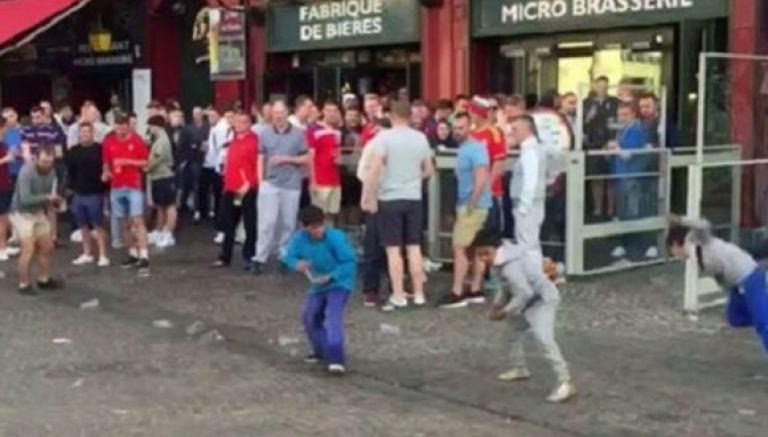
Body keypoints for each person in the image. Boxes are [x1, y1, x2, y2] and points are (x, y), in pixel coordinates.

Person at [472, 230, 576, 403]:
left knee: (543, 339)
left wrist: (504, 311)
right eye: (479, 255)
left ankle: (565, 381)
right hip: (528, 301)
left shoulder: (510, 265)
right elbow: (505, 287)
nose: (483, 258)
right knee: (511, 335)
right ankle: (519, 368)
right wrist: (497, 305)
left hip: (542, 301)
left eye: (485, 253)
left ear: (496, 249)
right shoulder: (501, 259)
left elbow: (524, 293)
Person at [362, 100, 434, 311]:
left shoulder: (383, 137)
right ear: (410, 116)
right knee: (414, 247)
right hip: (413, 197)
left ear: (392, 116)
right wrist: (411, 179)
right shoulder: (421, 138)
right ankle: (419, 293)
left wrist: (368, 194)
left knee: (393, 249)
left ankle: (399, 294)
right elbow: (429, 171)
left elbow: (374, 170)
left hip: (390, 198)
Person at [668, 217, 768, 356]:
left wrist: (681, 221)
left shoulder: (696, 240)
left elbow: (704, 224)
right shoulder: (694, 256)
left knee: (763, 323)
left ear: (675, 244)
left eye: (671, 250)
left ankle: (763, 317)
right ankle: (762, 314)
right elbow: (719, 270)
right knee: (735, 318)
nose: (674, 255)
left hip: (748, 273)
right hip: (736, 283)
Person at [282, 206, 357, 374]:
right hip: (317, 283)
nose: (319, 230)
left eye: (320, 225)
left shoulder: (335, 237)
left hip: (339, 282)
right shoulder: (299, 238)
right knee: (310, 317)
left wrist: (332, 276)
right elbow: (289, 256)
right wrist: (296, 264)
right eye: (314, 227)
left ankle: (336, 357)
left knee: (333, 315)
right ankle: (321, 350)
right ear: (304, 227)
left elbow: (349, 262)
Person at [437, 113, 492, 309]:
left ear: (470, 127)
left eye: (461, 127)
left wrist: (472, 202)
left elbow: (481, 176)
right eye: (455, 128)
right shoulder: (468, 149)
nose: (458, 131)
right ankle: (476, 289)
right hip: (475, 204)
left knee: (459, 247)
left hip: (472, 205)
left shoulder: (475, 149)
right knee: (476, 248)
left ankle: (458, 291)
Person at [254, 100, 311, 274]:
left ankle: (284, 256)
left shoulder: (298, 134)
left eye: (281, 112)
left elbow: (305, 158)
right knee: (267, 222)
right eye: (275, 113)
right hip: (270, 182)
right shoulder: (264, 133)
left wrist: (286, 159)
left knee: (288, 222)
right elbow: (260, 158)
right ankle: (260, 257)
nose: (278, 116)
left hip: (291, 183)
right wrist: (260, 180)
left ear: (287, 113)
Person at [10, 146, 62, 295]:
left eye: (50, 162)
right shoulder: (26, 172)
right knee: (28, 248)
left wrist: (54, 202)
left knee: (47, 246)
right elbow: (25, 199)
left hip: (37, 211)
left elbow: (49, 193)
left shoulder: (51, 171)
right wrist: (47, 198)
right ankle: (23, 284)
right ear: (36, 159)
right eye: (44, 161)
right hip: (21, 212)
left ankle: (43, 279)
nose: (47, 165)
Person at [102, 114, 150, 276]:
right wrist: (106, 173)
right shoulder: (109, 142)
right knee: (123, 222)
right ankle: (132, 252)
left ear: (128, 126)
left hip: (133, 185)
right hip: (116, 186)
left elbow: (145, 163)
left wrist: (127, 162)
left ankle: (144, 254)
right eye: (118, 126)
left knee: (137, 219)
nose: (121, 129)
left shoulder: (137, 140)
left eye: (124, 126)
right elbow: (106, 163)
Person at [608, 102, 657, 261]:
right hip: (622, 176)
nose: (621, 118)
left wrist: (615, 147)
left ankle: (643, 245)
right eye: (619, 115)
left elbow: (628, 155)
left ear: (633, 115)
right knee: (624, 212)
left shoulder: (636, 131)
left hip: (632, 176)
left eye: (625, 115)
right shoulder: (623, 130)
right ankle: (627, 244)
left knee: (635, 212)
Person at [215, 112, 259, 269]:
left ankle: (249, 256)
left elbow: (258, 166)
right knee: (228, 224)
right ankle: (225, 256)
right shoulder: (232, 139)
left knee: (250, 224)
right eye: (237, 122)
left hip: (247, 188)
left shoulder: (254, 141)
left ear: (249, 124)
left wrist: (251, 183)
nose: (239, 125)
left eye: (243, 122)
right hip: (231, 187)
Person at [66, 123, 109, 266]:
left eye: (87, 132)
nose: (84, 134)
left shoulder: (100, 149)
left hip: (95, 192)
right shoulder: (73, 151)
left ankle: (103, 254)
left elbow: (106, 167)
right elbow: (70, 171)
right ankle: (86, 253)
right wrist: (69, 188)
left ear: (92, 133)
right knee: (82, 225)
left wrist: (104, 186)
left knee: (97, 225)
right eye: (82, 132)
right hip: (79, 193)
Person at [583, 76, 620, 219]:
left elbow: (618, 121)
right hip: (594, 144)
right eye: (600, 86)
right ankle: (598, 209)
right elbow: (582, 125)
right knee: (596, 177)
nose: (602, 89)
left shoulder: (614, 102)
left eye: (605, 86)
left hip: (610, 143)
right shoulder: (586, 103)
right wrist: (588, 117)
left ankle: (611, 209)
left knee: (610, 178)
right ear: (594, 86)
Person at [470, 96, 507, 235]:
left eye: (472, 112)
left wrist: (488, 187)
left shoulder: (494, 133)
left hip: (490, 193)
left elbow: (499, 162)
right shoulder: (472, 134)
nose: (471, 115)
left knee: (490, 234)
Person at [307, 100, 343, 222]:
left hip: (335, 180)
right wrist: (312, 181)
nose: (332, 114)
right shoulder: (313, 130)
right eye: (328, 110)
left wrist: (339, 159)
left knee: (331, 214)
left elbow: (337, 153)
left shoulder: (337, 131)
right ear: (323, 111)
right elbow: (310, 156)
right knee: (318, 216)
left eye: (334, 111)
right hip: (320, 180)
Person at [200, 108, 232, 243]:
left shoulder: (223, 128)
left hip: (220, 167)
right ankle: (221, 226)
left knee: (223, 199)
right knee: (220, 198)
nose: (210, 118)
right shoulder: (216, 128)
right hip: (215, 165)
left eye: (213, 115)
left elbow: (222, 148)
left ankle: (223, 228)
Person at [146, 115, 177, 248]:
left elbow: (156, 159)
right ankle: (160, 230)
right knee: (160, 205)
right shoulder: (158, 139)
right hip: (157, 177)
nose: (150, 129)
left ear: (156, 126)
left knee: (170, 205)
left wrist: (145, 167)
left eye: (151, 126)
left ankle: (168, 233)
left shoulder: (162, 140)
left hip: (164, 176)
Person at [181, 106, 209, 221]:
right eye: (194, 113)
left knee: (206, 186)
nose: (196, 115)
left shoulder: (208, 127)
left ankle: (205, 209)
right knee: (195, 185)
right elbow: (184, 145)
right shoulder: (188, 128)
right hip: (194, 161)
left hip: (208, 160)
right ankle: (196, 210)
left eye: (198, 113)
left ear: (202, 114)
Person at [0, 116, 20, 261]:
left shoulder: (3, 143)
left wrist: (11, 155)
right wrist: (5, 159)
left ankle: (4, 246)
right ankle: (1, 249)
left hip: (5, 182)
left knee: (5, 218)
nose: (6, 130)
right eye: (5, 126)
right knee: (2, 219)